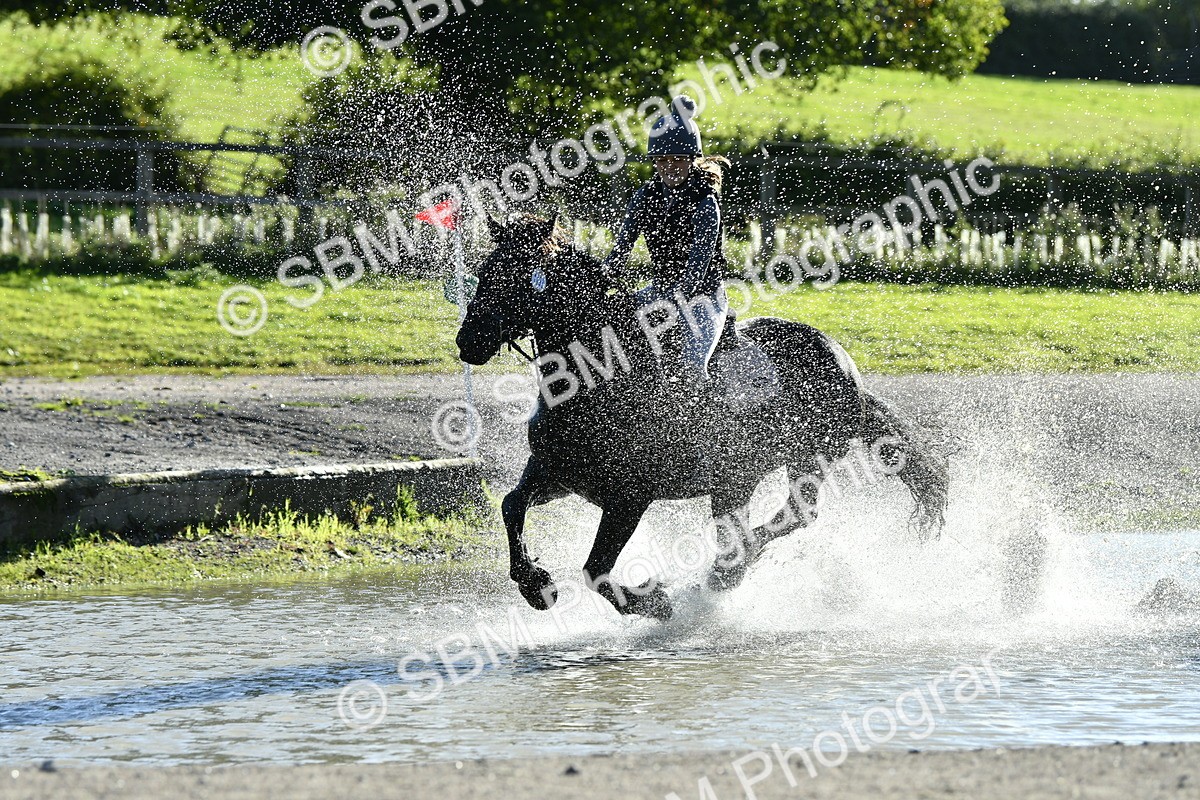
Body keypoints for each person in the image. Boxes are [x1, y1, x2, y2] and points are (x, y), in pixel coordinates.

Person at [602, 95, 732, 397]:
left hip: (703, 298)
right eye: (662, 160)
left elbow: (697, 264)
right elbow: (622, 247)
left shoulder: (704, 201)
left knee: (692, 366)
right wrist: (604, 275)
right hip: (658, 291)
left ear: (691, 159)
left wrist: (679, 298)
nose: (669, 167)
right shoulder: (645, 197)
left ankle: (712, 430)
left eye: (677, 160)